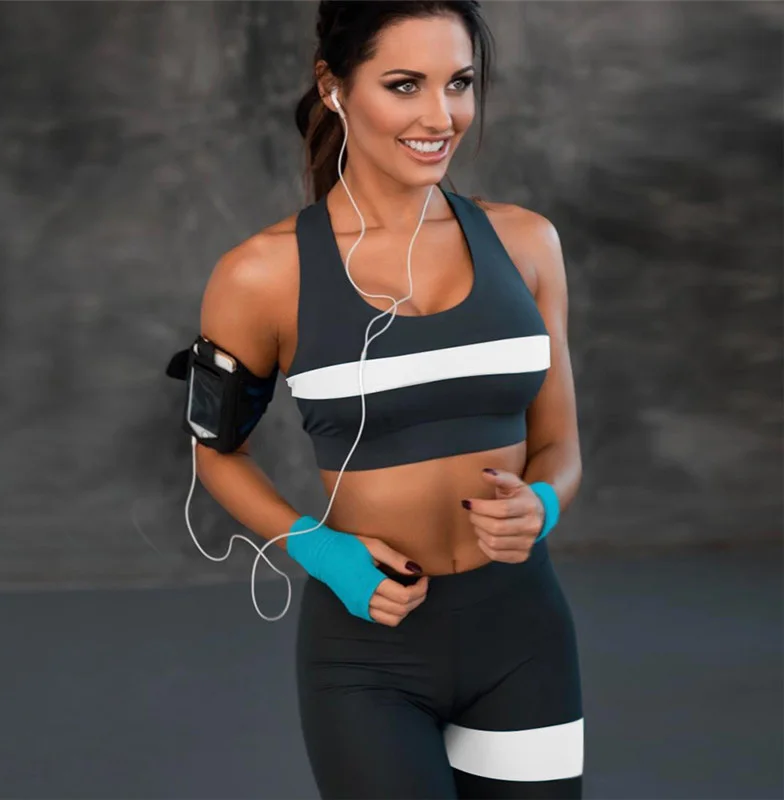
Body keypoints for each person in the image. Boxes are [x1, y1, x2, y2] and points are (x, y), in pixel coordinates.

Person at [194, 2, 584, 797]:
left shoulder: (528, 244)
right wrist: (318, 549)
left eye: (460, 83)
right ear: (333, 85)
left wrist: (543, 503)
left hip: (523, 634)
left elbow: (561, 445)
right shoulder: (261, 274)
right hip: (369, 650)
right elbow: (214, 456)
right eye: (405, 85)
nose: (442, 117)